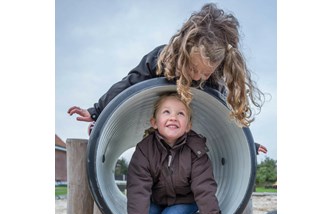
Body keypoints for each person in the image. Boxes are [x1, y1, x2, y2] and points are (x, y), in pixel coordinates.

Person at [67, 3, 265, 132]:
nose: (197, 77)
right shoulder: (162, 59)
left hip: (185, 128)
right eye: (192, 68)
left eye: (205, 73)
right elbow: (129, 83)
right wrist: (97, 111)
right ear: (183, 51)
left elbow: (223, 118)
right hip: (154, 120)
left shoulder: (214, 80)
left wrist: (247, 144)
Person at [126, 93, 223, 214]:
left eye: (181, 113)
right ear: (154, 122)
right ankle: (159, 213)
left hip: (185, 199)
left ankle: (190, 209)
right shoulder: (145, 149)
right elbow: (138, 184)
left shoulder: (195, 149)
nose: (173, 117)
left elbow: (203, 184)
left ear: (188, 127)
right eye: (166, 112)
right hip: (157, 199)